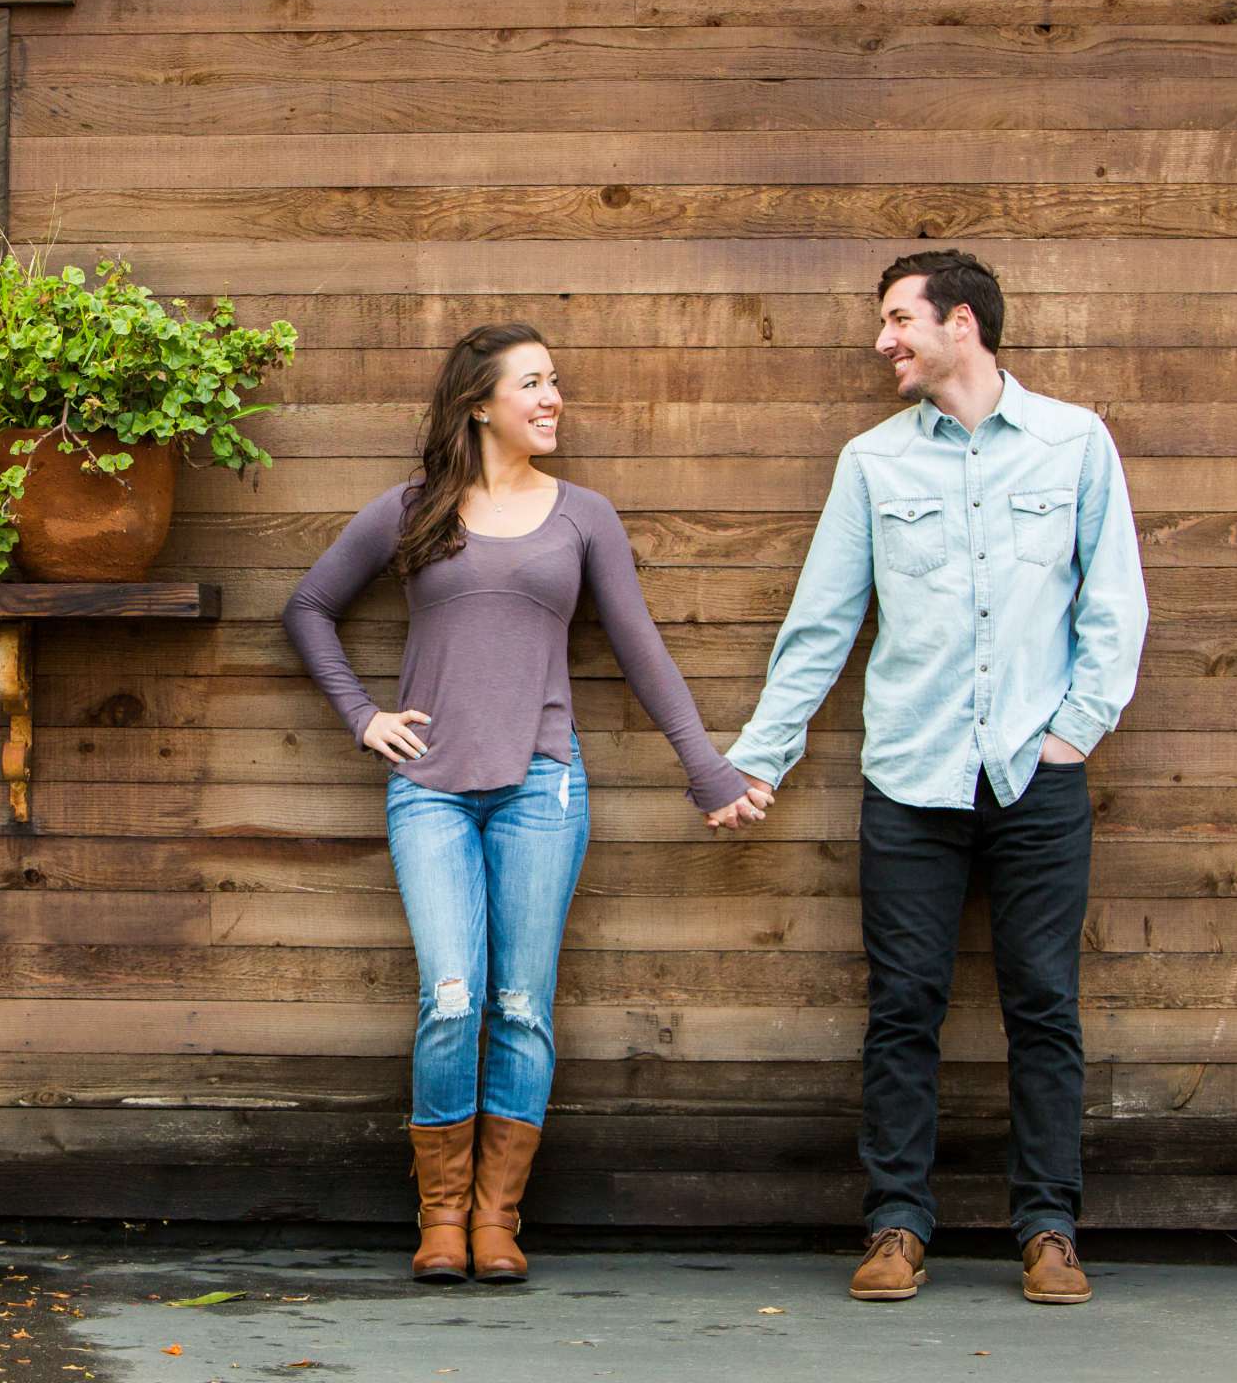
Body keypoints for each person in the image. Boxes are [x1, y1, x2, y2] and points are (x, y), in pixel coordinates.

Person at [282, 322, 770, 1284]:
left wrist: (704, 768)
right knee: (451, 998)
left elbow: (640, 648)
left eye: (557, 384)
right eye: (535, 384)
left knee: (520, 1006)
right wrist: (363, 716)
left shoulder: (583, 516)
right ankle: (441, 1218)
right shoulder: (411, 510)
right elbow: (307, 608)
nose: (553, 400)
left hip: (543, 786)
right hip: (429, 790)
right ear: (479, 403)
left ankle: (498, 1221)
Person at [723, 250, 1147, 1306]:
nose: (884, 341)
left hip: (1034, 780)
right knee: (903, 1007)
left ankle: (1049, 1229)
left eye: (900, 319)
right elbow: (820, 625)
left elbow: (1116, 604)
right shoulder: (872, 462)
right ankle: (897, 1226)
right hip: (911, 781)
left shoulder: (1074, 443)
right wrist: (762, 756)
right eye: (884, 323)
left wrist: (1075, 729)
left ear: (964, 323)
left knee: (1044, 1004)